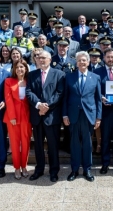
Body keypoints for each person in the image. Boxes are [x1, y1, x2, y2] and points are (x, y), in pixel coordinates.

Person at [26, 51, 65, 182]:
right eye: (38, 57)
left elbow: (59, 93)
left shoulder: (59, 74)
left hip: (51, 116)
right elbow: (29, 91)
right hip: (37, 116)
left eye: (43, 58)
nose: (41, 60)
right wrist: (38, 105)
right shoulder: (31, 75)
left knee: (53, 145)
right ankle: (39, 169)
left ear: (49, 59)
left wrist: (46, 106)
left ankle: (54, 171)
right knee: (38, 146)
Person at [63, 51, 102, 182]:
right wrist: (64, 115)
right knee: (74, 144)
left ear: (89, 62)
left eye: (84, 60)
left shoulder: (95, 77)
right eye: (79, 60)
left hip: (88, 115)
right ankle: (74, 169)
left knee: (87, 144)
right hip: (73, 115)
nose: (82, 62)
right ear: (76, 62)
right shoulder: (69, 77)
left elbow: (98, 99)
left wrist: (98, 117)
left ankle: (87, 169)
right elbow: (65, 98)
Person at [3, 58, 32, 179]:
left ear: (26, 69)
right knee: (14, 143)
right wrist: (12, 116)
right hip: (13, 115)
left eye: (22, 67)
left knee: (26, 142)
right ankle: (16, 167)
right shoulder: (9, 81)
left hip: (26, 115)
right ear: (14, 69)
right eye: (18, 67)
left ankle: (24, 166)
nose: (20, 69)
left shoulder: (29, 81)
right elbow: (8, 100)